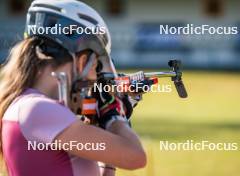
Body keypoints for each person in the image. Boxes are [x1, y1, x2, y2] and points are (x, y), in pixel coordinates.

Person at [0, 0, 146, 176]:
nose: (94, 78)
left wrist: (111, 121)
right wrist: (113, 113)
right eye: (95, 67)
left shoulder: (30, 107)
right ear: (82, 60)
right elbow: (136, 157)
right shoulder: (39, 109)